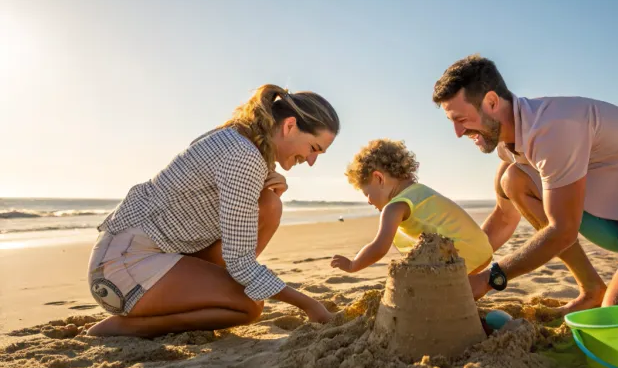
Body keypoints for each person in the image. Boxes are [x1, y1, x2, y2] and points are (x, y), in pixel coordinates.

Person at [432, 55, 618, 318]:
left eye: (461, 119)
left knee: (616, 321)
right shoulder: (508, 142)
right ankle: (594, 289)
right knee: (512, 180)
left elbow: (562, 231)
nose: (457, 133)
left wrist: (491, 279)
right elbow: (504, 218)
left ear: (491, 101)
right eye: (451, 121)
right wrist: (459, 270)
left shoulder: (553, 130)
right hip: (617, 222)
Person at [87, 85, 340, 337]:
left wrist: (268, 190)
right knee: (248, 307)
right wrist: (310, 305)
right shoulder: (243, 155)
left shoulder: (239, 142)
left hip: (139, 258)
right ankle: (125, 327)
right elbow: (240, 262)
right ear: (289, 126)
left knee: (269, 205)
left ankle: (212, 290)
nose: (311, 160)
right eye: (314, 148)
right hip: (122, 271)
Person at [331, 139, 494, 275]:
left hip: (461, 256)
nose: (368, 201)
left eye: (366, 193)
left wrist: (353, 265)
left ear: (379, 179)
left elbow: (379, 247)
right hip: (482, 249)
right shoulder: (420, 192)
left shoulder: (394, 207)